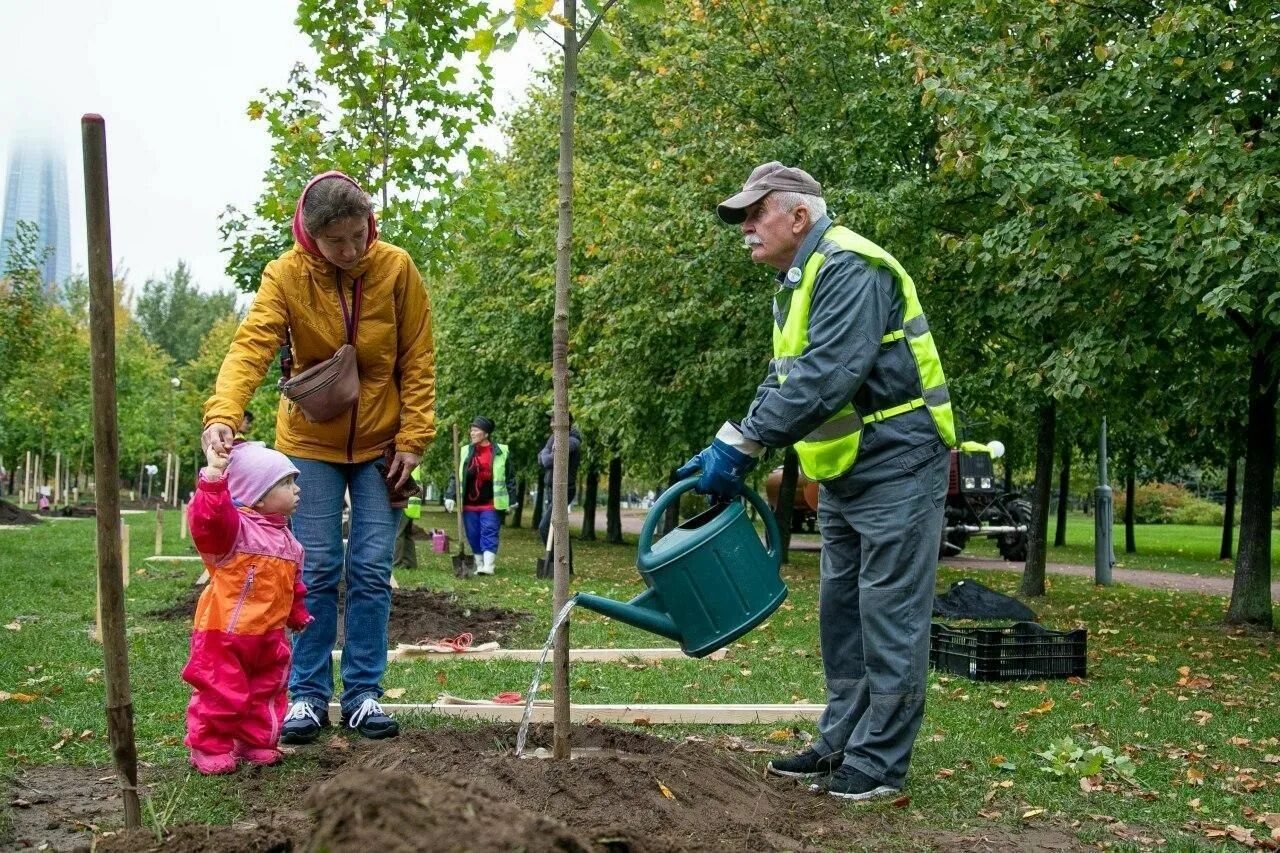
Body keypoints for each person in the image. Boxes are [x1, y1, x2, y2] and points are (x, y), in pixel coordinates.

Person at [677, 162, 955, 801]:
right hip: (847, 471)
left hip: (899, 461)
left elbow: (826, 375)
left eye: (755, 214)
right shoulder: (798, 282)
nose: (745, 228)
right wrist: (730, 439)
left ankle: (879, 764)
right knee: (843, 615)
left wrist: (744, 445)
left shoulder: (851, 268)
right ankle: (840, 744)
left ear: (798, 215)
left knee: (889, 612)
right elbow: (785, 376)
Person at [201, 171, 436, 743]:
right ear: (311, 238)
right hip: (310, 443)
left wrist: (413, 438)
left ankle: (362, 694)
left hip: (383, 447)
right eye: (339, 242)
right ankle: (307, 695)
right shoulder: (285, 275)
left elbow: (418, 359)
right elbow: (251, 346)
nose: (354, 250)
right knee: (313, 568)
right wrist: (223, 414)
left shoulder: (397, 267)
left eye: (361, 235)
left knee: (373, 571)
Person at [183, 440, 311, 775]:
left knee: (266, 691)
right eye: (286, 483)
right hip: (224, 634)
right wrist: (213, 478)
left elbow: (293, 584)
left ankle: (255, 742)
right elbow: (206, 520)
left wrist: (297, 613)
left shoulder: (291, 543)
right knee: (221, 692)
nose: (296, 490)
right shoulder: (234, 531)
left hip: (270, 637)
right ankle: (208, 746)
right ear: (258, 495)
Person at [444, 416, 517, 576]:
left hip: (491, 502)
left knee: (489, 530)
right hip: (469, 503)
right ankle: (479, 565)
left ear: (486, 433)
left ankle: (489, 566)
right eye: (471, 429)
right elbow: (455, 476)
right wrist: (450, 495)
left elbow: (510, 477)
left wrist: (512, 499)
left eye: (476, 430)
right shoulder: (465, 451)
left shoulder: (501, 451)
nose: (472, 433)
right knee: (473, 534)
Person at [537, 411, 581, 574]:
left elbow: (549, 459)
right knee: (558, 528)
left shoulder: (572, 441)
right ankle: (564, 566)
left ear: (566, 421)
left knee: (544, 527)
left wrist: (547, 456)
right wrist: (547, 455)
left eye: (554, 421)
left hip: (564, 490)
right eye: (551, 421)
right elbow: (541, 458)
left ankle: (559, 563)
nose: (551, 424)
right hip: (551, 489)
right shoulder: (552, 438)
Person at [392, 463, 426, 570]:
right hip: (412, 501)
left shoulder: (403, 460)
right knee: (407, 533)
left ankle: (396, 564)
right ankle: (411, 563)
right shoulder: (413, 460)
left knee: (398, 533)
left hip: (405, 499)